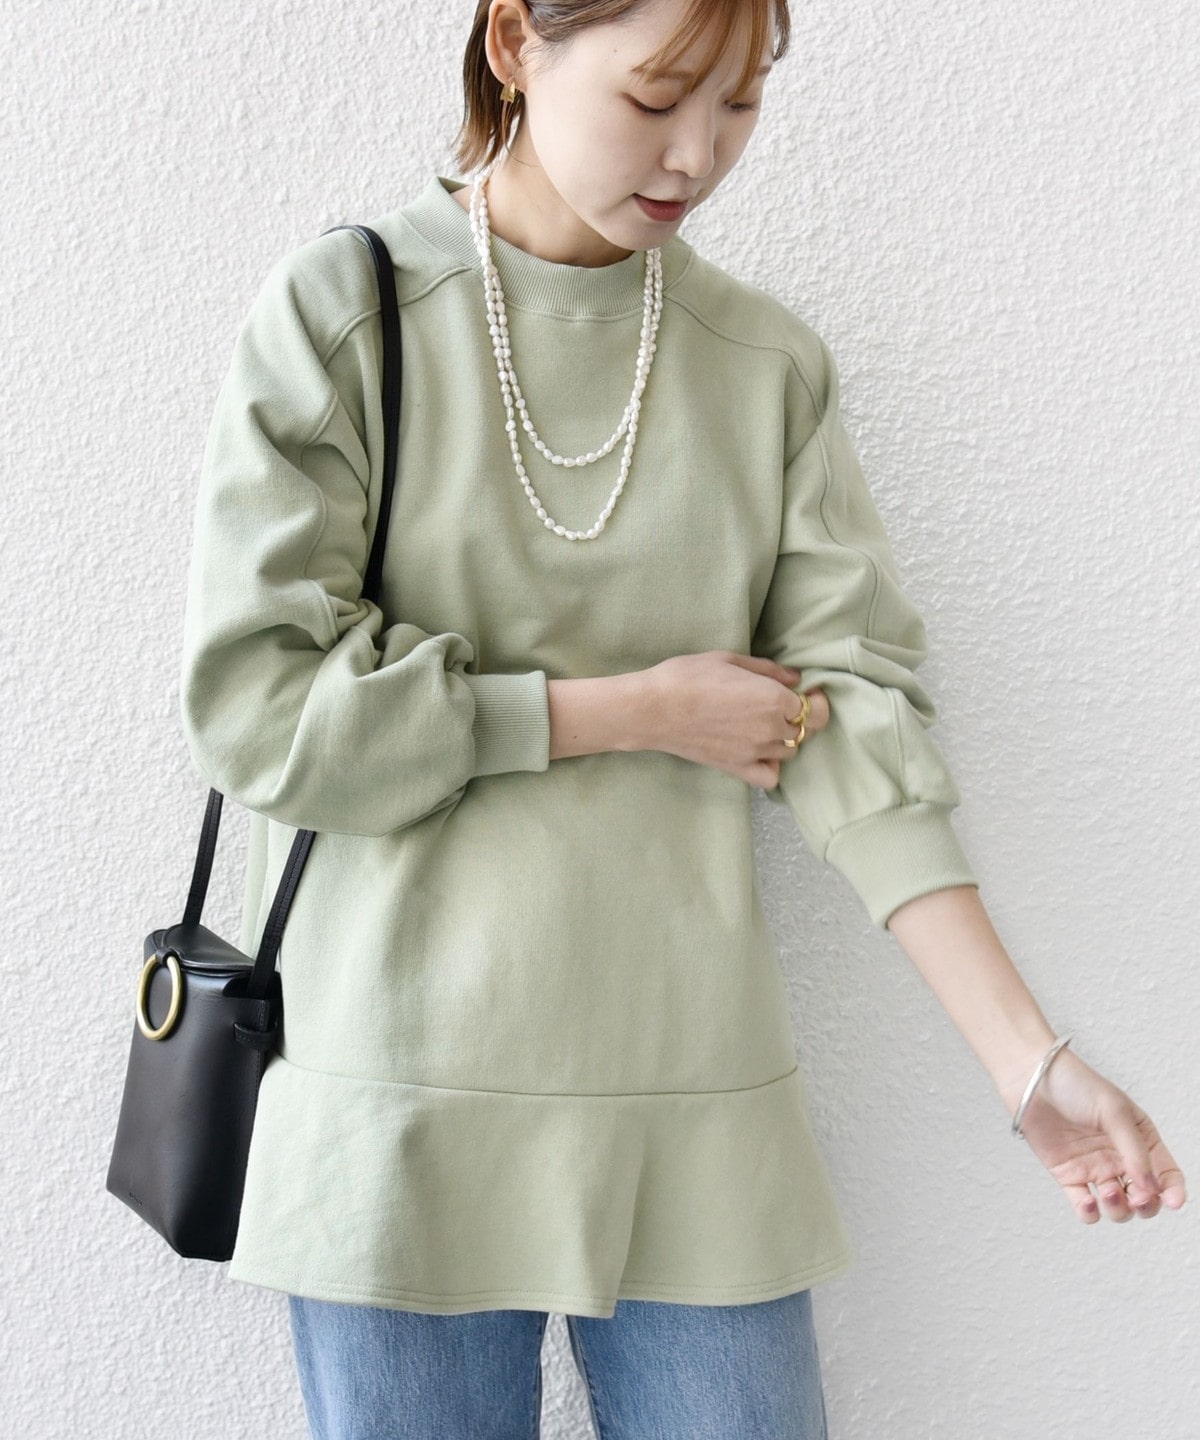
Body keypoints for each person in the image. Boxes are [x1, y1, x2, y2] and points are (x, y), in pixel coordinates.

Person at [177, 0, 1187, 1436]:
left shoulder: (762, 367)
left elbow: (857, 732)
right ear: (516, 43)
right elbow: (260, 706)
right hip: (395, 1106)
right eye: (657, 98)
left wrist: (1028, 1063)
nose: (697, 155)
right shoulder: (347, 315)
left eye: (740, 102)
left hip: (696, 1104)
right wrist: (632, 711)